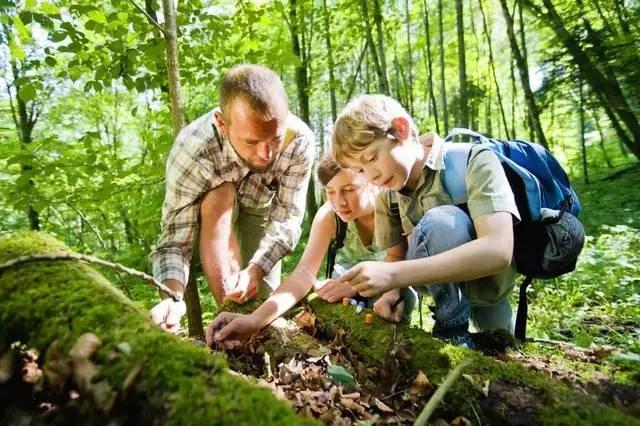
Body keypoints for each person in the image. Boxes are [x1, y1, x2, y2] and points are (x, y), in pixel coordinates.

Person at [331, 94, 520, 346]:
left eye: (372, 158)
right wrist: (392, 292)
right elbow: (395, 256)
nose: (372, 175)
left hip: (487, 289)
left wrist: (393, 275)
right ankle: (451, 331)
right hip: (443, 297)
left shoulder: (473, 161)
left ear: (401, 129)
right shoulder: (387, 196)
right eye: (361, 171)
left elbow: (499, 250)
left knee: (508, 346)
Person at [149, 64, 315, 333]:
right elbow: (174, 240)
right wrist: (172, 297)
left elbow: (287, 216)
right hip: (211, 215)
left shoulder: (300, 141)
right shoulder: (193, 150)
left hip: (260, 208)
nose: (266, 154)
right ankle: (225, 315)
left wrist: (257, 269)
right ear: (222, 124)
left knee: (262, 303)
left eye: (275, 138)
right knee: (220, 194)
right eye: (251, 141)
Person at [207, 153, 415, 349]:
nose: (340, 202)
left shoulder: (393, 206)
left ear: (370, 178)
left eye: (350, 189)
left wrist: (356, 287)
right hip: (346, 288)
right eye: (330, 191)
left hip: (394, 286)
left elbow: (402, 262)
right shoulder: (329, 216)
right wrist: (255, 320)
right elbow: (303, 275)